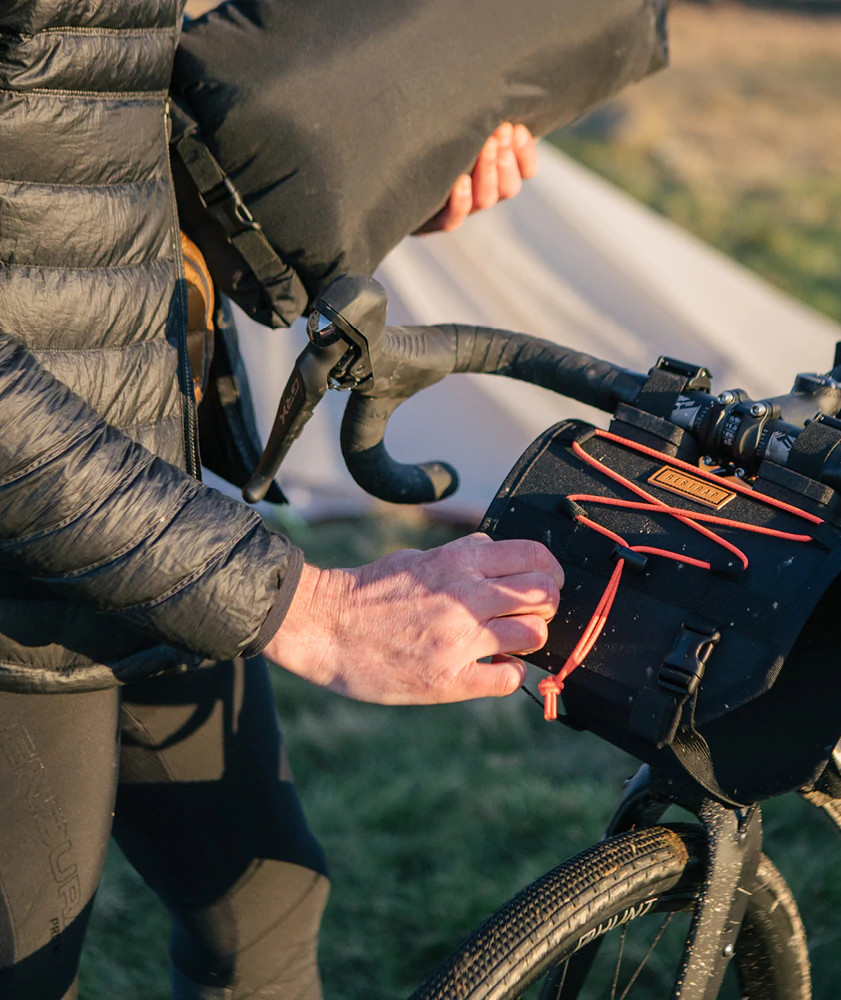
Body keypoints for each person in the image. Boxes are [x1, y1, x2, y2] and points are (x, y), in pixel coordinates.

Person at [0, 4, 556, 998]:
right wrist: (312, 612)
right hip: (26, 565)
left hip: (149, 482)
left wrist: (371, 169)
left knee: (263, 900)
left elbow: (80, 136)